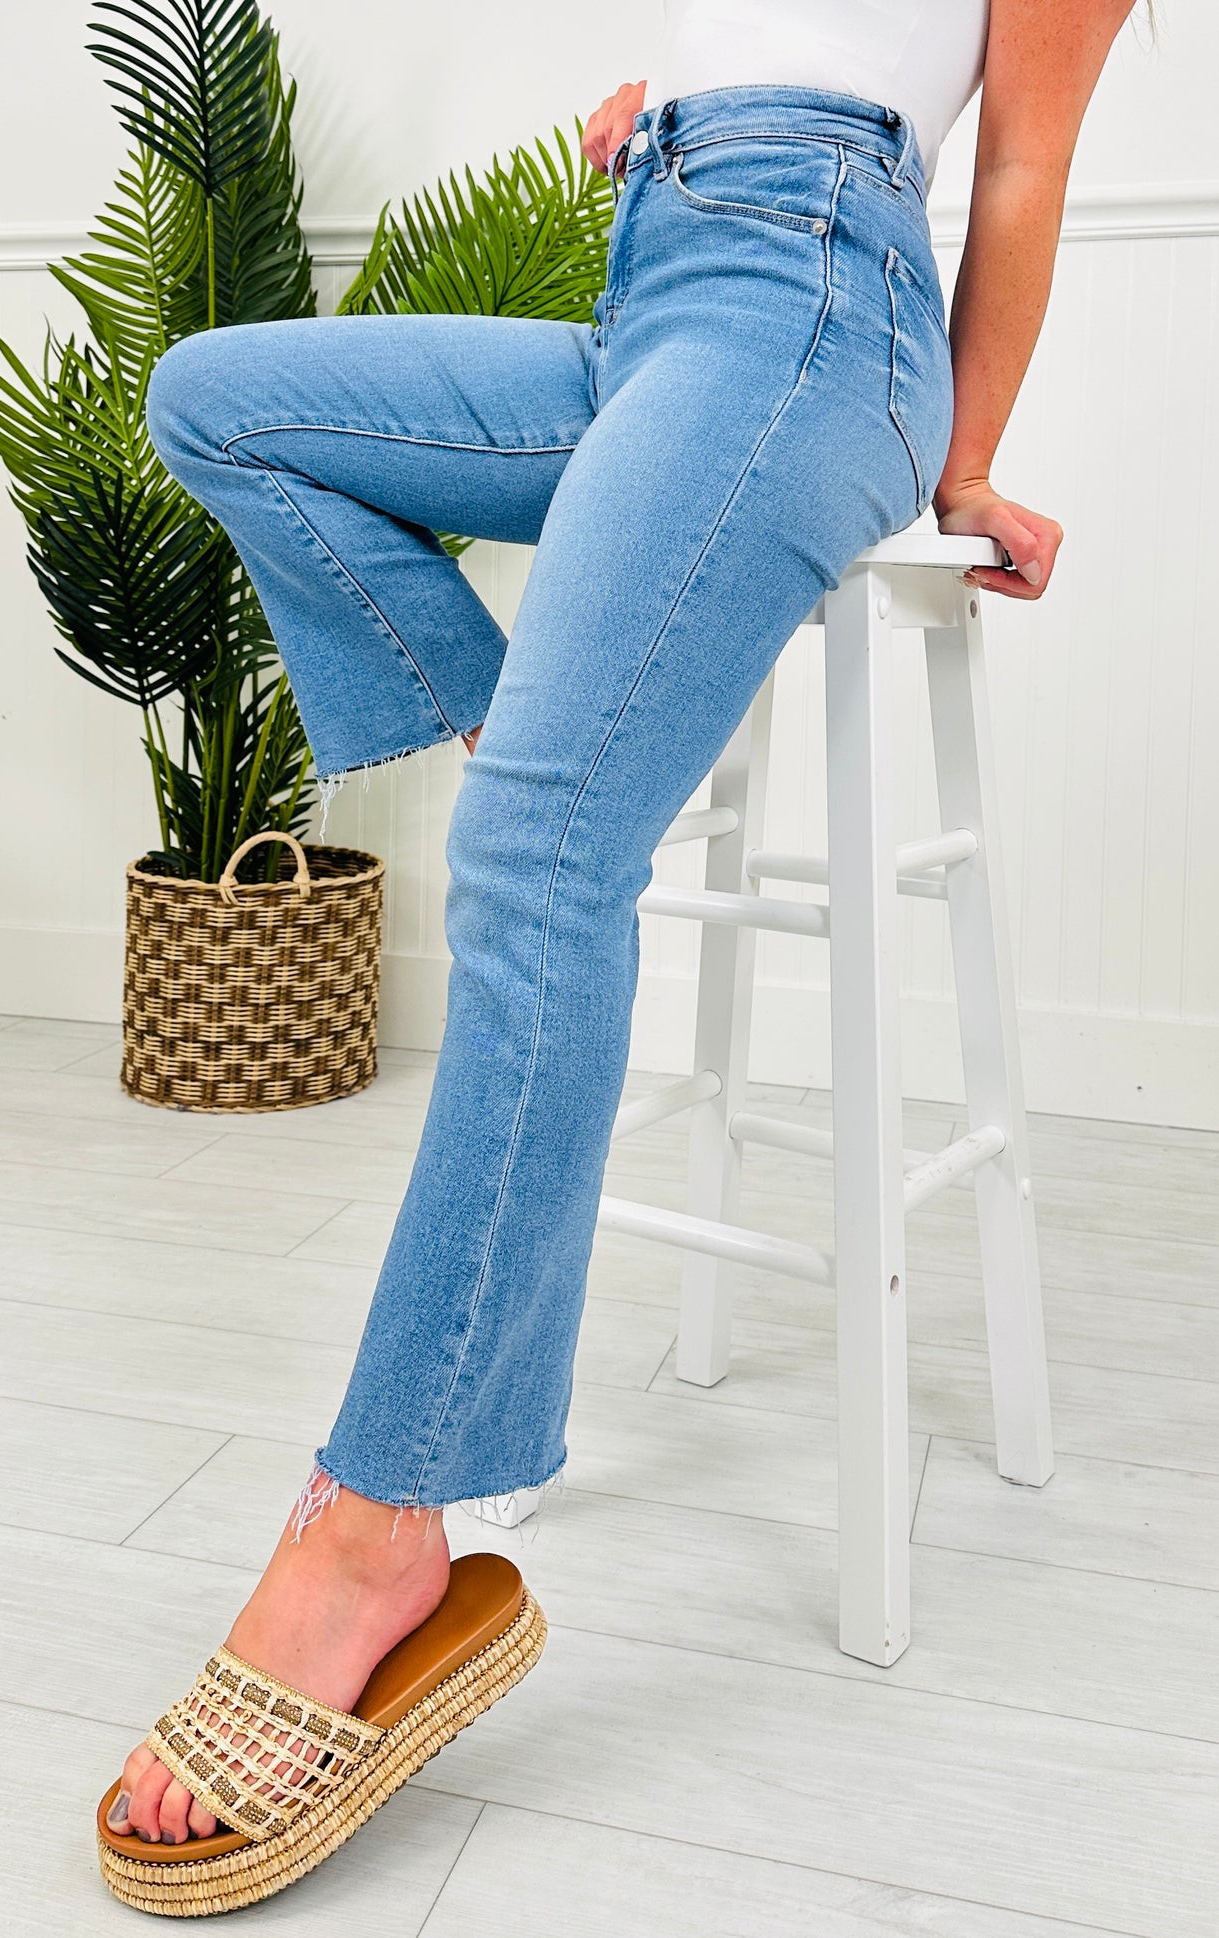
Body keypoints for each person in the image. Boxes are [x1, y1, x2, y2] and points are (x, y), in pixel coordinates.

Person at [98, 0, 1142, 1906]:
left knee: (533, 872)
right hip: (654, 293)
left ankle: (377, 1521)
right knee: (217, 397)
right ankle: (546, 769)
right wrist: (678, 101)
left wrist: (966, 461)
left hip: (814, 322)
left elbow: (1014, 156)